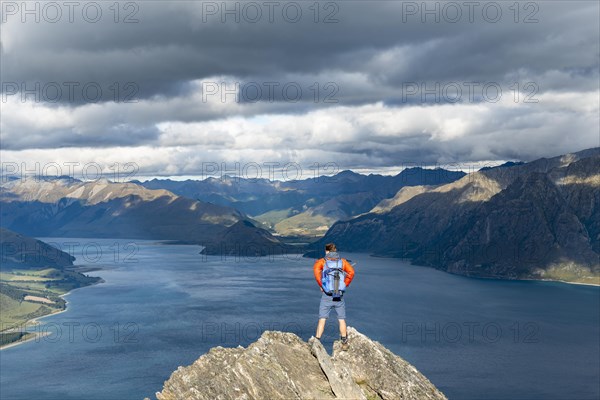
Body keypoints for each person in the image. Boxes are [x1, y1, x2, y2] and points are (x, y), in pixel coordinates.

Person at [313, 243, 355, 350]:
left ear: (327, 251)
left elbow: (316, 272)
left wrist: (322, 286)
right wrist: (344, 285)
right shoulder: (343, 262)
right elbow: (351, 272)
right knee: (341, 319)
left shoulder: (322, 262)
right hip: (338, 295)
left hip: (327, 295)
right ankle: (344, 342)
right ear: (335, 251)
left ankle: (317, 340)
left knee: (322, 319)